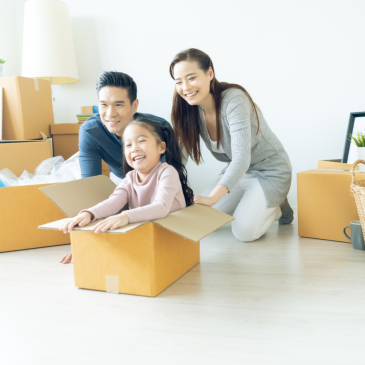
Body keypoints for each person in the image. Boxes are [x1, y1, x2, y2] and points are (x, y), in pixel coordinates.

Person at [169, 48, 293, 242]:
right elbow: (179, 159)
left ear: (210, 73)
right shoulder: (189, 111)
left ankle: (275, 205)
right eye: (178, 81)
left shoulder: (233, 100)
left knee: (244, 232)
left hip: (270, 170)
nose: (185, 87)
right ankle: (257, 200)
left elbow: (242, 158)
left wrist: (212, 198)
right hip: (238, 173)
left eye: (191, 78)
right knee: (202, 220)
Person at [60, 118, 194, 264]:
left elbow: (161, 208)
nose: (134, 148)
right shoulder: (129, 178)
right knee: (106, 227)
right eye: (128, 144)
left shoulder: (167, 172)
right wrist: (89, 214)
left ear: (161, 147)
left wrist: (125, 217)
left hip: (168, 240)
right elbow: (113, 203)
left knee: (118, 223)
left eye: (141, 141)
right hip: (144, 236)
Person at [79, 71, 169, 182]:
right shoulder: (91, 131)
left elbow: (169, 180)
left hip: (156, 182)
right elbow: (90, 184)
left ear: (134, 106)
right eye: (104, 105)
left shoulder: (160, 128)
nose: (110, 114)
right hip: (121, 179)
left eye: (118, 105)